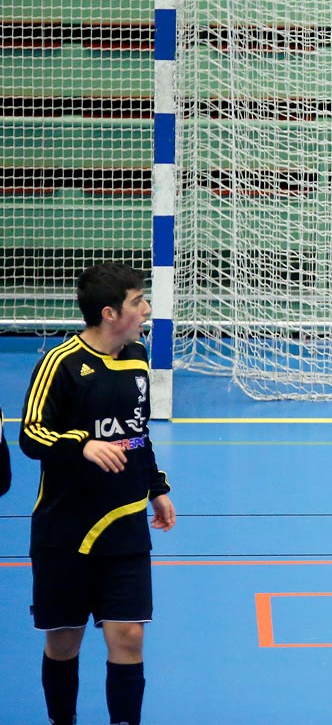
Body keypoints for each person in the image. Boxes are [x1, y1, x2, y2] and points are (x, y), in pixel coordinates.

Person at [20, 261, 175, 725]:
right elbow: (31, 434)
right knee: (64, 641)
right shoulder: (60, 363)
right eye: (137, 302)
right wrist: (81, 445)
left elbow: (137, 432)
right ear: (109, 313)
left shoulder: (138, 357)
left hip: (124, 522)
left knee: (128, 636)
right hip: (66, 528)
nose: (146, 309)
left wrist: (156, 488)